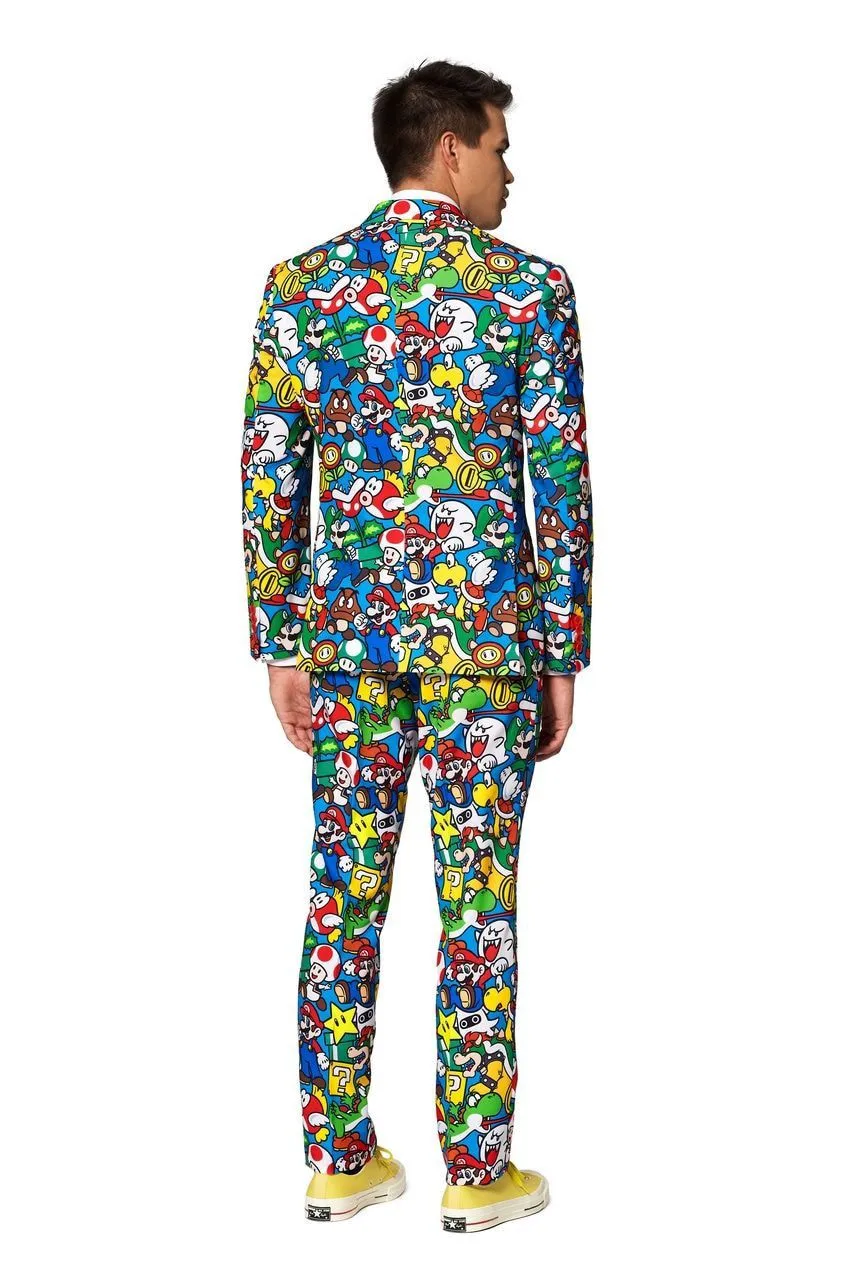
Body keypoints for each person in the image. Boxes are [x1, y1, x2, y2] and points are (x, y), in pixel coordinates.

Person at [241, 58, 594, 1233]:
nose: (508, 170)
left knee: (341, 894)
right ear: (450, 147)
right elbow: (558, 485)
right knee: (474, 905)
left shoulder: (304, 286)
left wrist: (281, 641)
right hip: (486, 651)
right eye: (497, 145)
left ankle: (337, 1157)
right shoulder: (527, 291)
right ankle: (475, 1170)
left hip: (344, 648)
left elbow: (268, 474)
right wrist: (560, 651)